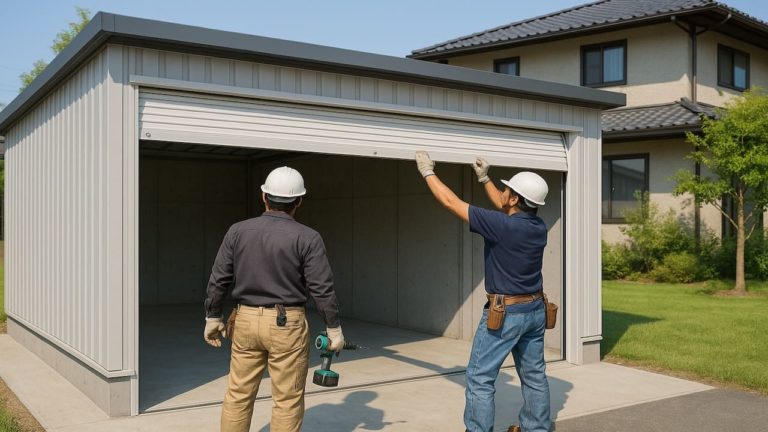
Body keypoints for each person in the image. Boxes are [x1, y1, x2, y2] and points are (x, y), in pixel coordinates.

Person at [414, 151, 551, 432]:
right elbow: (504, 207)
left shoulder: (502, 226)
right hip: (535, 309)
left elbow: (451, 202)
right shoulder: (538, 226)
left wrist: (428, 172)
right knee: (535, 376)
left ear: (514, 198)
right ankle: (537, 428)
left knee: (480, 377)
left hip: (507, 314)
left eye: (507, 190)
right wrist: (485, 178)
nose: (503, 193)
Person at [203, 166, 345, 432]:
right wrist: (333, 328)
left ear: (264, 197)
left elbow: (219, 277)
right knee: (287, 400)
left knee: (238, 394)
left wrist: (213, 316)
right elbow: (322, 288)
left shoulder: (237, 231)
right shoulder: (308, 237)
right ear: (299, 201)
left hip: (244, 320)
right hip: (287, 325)